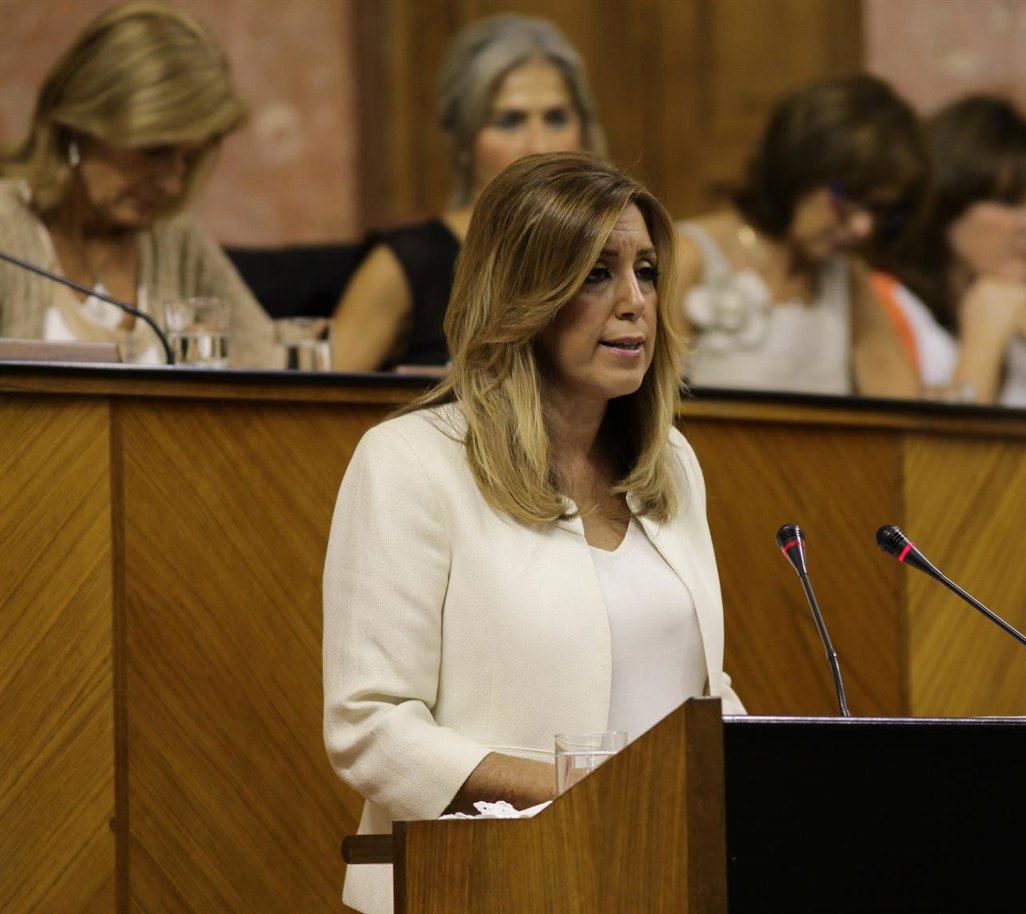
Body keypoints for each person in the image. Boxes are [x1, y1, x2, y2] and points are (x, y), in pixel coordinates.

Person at [323, 152, 747, 914]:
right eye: (595, 273)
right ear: (523, 293)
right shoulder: (413, 463)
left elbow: (699, 692)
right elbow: (370, 727)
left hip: (653, 878)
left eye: (646, 272)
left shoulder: (671, 465)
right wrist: (578, 793)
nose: (634, 303)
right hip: (478, 884)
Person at [0, 1, 274, 366]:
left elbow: (269, 373)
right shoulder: (7, 230)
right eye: (153, 150)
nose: (173, 185)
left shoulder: (177, 241)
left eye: (187, 159)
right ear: (82, 123)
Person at [329, 13, 605, 372]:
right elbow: (317, 409)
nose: (540, 143)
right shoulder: (406, 263)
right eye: (509, 121)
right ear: (460, 140)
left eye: (555, 117)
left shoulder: (618, 251)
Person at [671, 73, 929, 398]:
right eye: (848, 198)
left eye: (880, 210)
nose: (864, 227)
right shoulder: (689, 256)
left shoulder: (847, 278)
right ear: (798, 165)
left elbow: (901, 413)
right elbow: (651, 413)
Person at [873, 94, 1026, 410]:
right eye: (1010, 203)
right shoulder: (886, 302)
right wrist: (985, 331)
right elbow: (949, 456)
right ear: (948, 205)